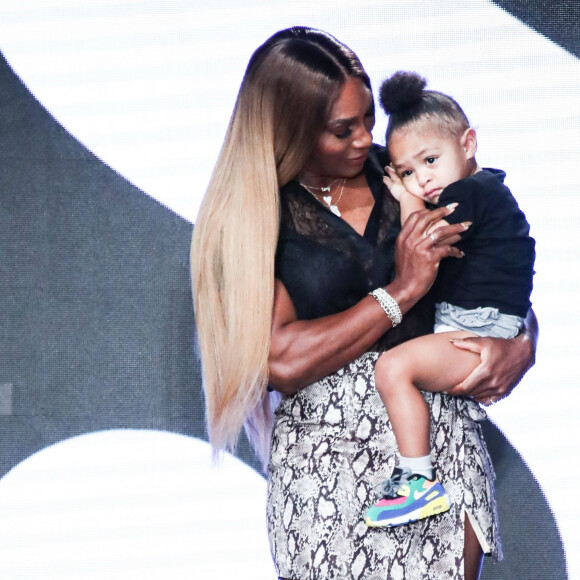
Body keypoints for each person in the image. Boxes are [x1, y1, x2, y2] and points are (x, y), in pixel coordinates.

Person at [191, 27, 538, 580]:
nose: (364, 139)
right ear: (291, 128)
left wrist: (521, 343)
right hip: (325, 469)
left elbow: (496, 262)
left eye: (369, 119)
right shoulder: (254, 217)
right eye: (342, 129)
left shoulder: (407, 173)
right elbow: (280, 361)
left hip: (434, 453)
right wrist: (402, 292)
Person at [364, 71, 536, 530]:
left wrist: (404, 201)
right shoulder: (486, 190)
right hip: (480, 323)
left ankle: (415, 483)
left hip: (477, 328)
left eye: (431, 160)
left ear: (469, 143)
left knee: (392, 368)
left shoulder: (467, 194)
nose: (422, 180)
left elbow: (424, 243)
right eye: (407, 172)